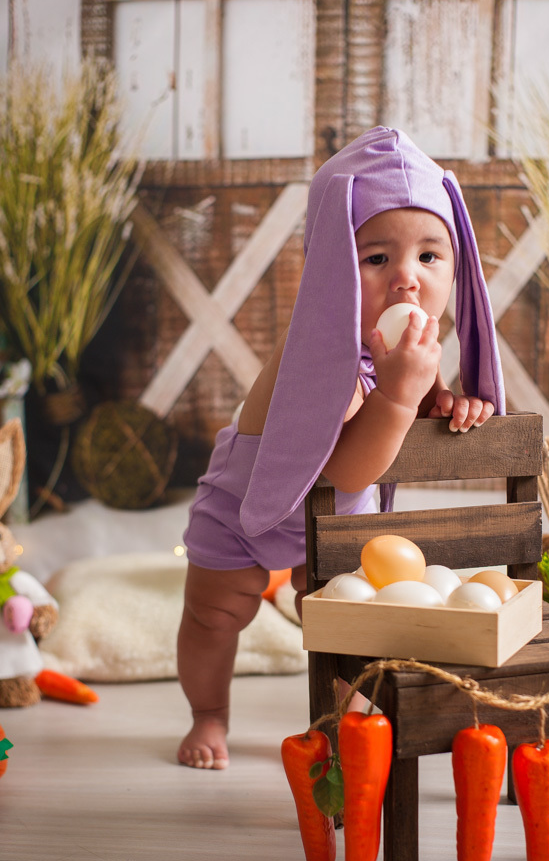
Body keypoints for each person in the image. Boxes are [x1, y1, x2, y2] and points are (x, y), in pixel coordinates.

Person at [177, 126, 505, 768]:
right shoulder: (318, 358)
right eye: (377, 258)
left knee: (346, 620)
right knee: (214, 618)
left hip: (331, 523)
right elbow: (348, 465)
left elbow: (418, 405)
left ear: (457, 268)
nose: (407, 280)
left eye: (429, 258)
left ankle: (342, 724)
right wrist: (398, 398)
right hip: (242, 513)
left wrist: (448, 400)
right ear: (333, 270)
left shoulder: (407, 352)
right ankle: (208, 713)